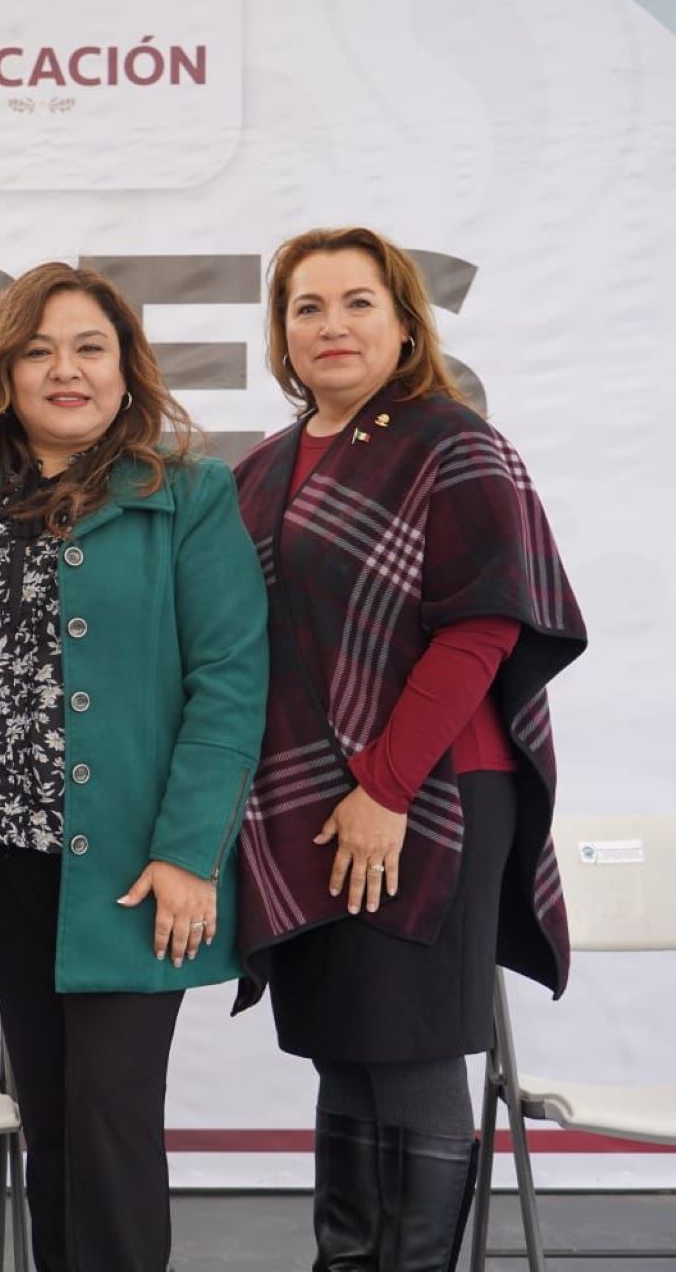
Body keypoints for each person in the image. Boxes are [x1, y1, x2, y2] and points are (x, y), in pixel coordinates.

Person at [0, 262, 268, 1272]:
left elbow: (231, 683)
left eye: (89, 347)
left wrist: (192, 853)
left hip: (139, 870)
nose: (66, 368)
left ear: (126, 368)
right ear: (5, 371)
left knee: (108, 1123)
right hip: (2, 860)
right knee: (50, 1118)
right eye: (38, 348)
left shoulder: (190, 494)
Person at [232, 227, 587, 1271]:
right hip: (310, 800)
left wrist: (385, 784)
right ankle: (349, 1260)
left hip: (431, 793)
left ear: (403, 324)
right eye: (307, 307)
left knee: (419, 1046)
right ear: (282, 333)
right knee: (344, 1047)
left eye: (357, 303)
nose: (331, 326)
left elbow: (483, 625)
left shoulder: (455, 442)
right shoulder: (259, 467)